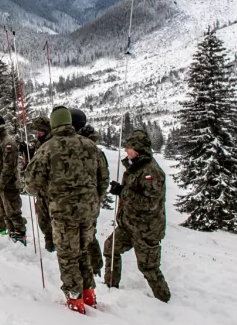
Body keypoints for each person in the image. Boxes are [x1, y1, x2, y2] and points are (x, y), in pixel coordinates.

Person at [25, 106, 102, 314]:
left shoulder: (47, 148)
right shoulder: (90, 146)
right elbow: (102, 179)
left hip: (62, 212)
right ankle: (89, 295)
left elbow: (31, 184)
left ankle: (74, 301)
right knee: (84, 251)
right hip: (88, 211)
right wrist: (94, 202)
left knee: (68, 256)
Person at [103, 129, 171, 302]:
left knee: (149, 267)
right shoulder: (135, 167)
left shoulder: (151, 172)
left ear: (139, 149)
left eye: (129, 147)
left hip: (146, 229)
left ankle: (163, 299)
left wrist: (123, 192)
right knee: (110, 248)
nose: (126, 150)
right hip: (128, 225)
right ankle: (110, 286)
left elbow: (149, 204)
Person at [71, 108, 109, 277]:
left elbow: (102, 178)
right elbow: (104, 179)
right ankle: (93, 266)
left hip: (85, 200)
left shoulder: (88, 147)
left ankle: (94, 267)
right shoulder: (92, 147)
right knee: (87, 235)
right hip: (88, 200)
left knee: (87, 236)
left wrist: (96, 198)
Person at [0, 115, 27, 244]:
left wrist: (1, 185)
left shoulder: (8, 143)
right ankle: (11, 235)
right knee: (3, 212)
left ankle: (20, 237)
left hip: (8, 185)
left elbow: (9, 167)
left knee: (13, 213)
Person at [28, 115, 55, 252]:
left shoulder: (51, 143)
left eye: (41, 131)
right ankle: (49, 245)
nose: (38, 133)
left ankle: (55, 246)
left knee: (53, 220)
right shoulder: (39, 142)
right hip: (41, 190)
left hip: (52, 190)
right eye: (37, 131)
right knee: (43, 220)